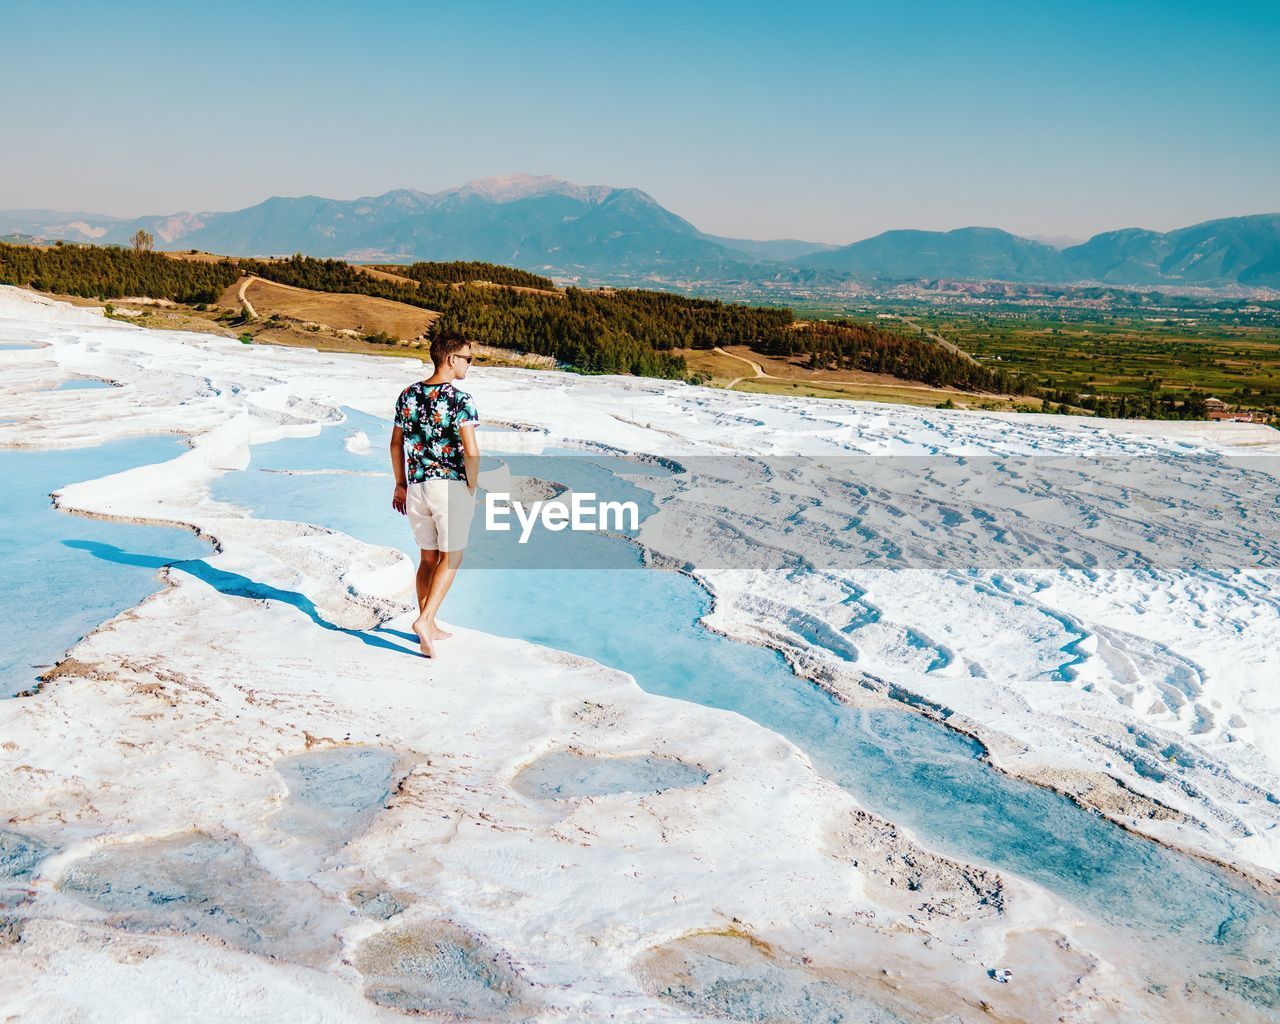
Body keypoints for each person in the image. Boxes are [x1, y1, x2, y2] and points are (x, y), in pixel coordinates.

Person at [390, 330, 480, 658]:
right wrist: (471, 486)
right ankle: (425, 620)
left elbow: (396, 443)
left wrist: (400, 484)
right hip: (449, 486)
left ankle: (429, 622)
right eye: (469, 358)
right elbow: (471, 452)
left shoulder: (408, 395)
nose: (471, 364)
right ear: (451, 359)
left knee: (428, 558)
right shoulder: (460, 400)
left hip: (416, 487)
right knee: (452, 556)